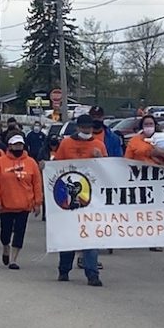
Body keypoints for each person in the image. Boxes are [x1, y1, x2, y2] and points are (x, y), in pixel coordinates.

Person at [54, 114, 106, 285]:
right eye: (83, 128)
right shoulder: (66, 143)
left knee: (90, 237)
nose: (86, 131)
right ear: (77, 128)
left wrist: (101, 159)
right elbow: (57, 166)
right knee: (68, 236)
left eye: (89, 128)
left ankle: (92, 274)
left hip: (91, 198)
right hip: (69, 197)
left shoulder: (98, 144)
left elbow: (107, 170)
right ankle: (64, 269)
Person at [0, 134, 43, 270]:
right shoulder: (0, 162)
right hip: (6, 205)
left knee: (20, 232)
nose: (18, 147)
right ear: (10, 146)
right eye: (15, 145)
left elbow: (37, 183)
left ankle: (14, 259)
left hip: (24, 205)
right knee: (5, 233)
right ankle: (6, 248)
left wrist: (38, 202)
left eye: (20, 145)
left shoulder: (31, 163)